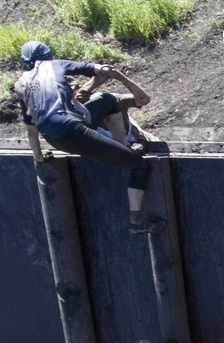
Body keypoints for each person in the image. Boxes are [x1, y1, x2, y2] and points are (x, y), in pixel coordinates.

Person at [13, 41, 161, 234]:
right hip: (73, 131)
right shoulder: (53, 64)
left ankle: (122, 145)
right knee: (138, 165)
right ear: (49, 56)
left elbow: (31, 129)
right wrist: (103, 70)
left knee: (108, 100)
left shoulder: (20, 84)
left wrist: (38, 157)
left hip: (54, 137)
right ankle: (135, 221)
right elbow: (88, 68)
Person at [75, 69, 152, 151]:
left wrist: (121, 78)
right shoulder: (72, 112)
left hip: (134, 142)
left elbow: (143, 100)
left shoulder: (110, 100)